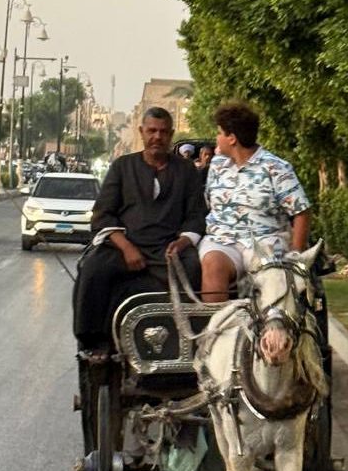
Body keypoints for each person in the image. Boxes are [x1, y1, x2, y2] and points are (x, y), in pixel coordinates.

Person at [72, 107, 204, 350]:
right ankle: (94, 345)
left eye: (163, 132)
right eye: (152, 131)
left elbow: (196, 216)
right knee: (92, 270)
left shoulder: (186, 171)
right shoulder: (122, 167)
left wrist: (182, 242)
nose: (157, 137)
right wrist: (126, 247)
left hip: (169, 249)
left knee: (195, 269)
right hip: (125, 246)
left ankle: (190, 346)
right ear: (141, 132)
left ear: (171, 135)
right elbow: (103, 214)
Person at [200, 100, 312, 303]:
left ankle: (270, 330)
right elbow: (209, 202)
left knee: (270, 278)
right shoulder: (217, 166)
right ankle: (215, 330)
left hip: (265, 242)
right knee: (212, 263)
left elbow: (301, 212)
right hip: (224, 240)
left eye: (219, 133)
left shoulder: (276, 168)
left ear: (232, 138)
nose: (216, 138)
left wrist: (296, 255)